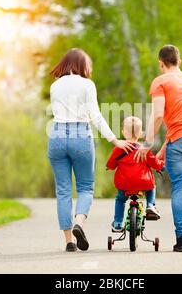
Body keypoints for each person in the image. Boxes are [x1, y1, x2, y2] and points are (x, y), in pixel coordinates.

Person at [48, 48, 134, 252]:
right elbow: (95, 115)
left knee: (63, 191)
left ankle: (69, 242)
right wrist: (115, 140)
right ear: (81, 65)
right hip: (80, 135)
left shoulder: (55, 85)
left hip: (57, 135)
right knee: (86, 187)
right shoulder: (87, 84)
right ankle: (79, 223)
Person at [134, 45, 182, 252]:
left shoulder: (160, 81)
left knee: (179, 187)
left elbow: (159, 114)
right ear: (180, 61)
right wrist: (164, 148)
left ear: (161, 63)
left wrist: (148, 143)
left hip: (181, 140)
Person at [106, 116, 164, 232]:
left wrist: (109, 167)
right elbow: (155, 163)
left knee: (120, 200)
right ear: (141, 133)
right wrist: (162, 165)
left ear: (123, 132)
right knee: (152, 187)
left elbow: (111, 165)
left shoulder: (118, 149)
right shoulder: (144, 149)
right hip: (143, 183)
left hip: (124, 184)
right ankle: (150, 205)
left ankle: (117, 223)